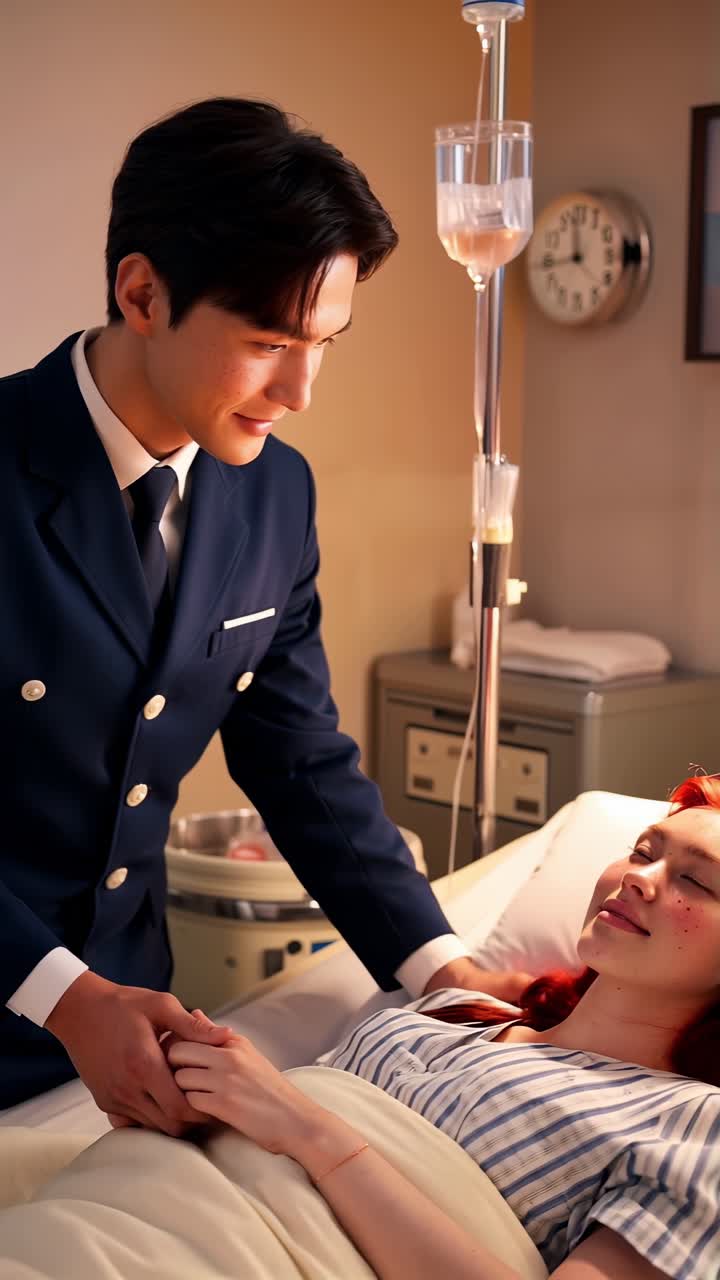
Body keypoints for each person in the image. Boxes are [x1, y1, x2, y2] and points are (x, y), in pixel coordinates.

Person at [0, 96, 526, 1124]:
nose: (301, 389)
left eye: (326, 342)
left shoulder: (274, 493)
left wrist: (441, 969)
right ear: (142, 292)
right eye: (270, 342)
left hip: (129, 1026)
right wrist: (66, 995)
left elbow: (298, 758)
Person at [167, 772, 720, 1279]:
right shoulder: (451, 1011)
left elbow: (293, 1123)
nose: (639, 878)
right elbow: (259, 1142)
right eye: (642, 851)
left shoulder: (693, 1126)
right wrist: (195, 1088)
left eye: (695, 881)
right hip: (162, 1212)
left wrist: (311, 1132)